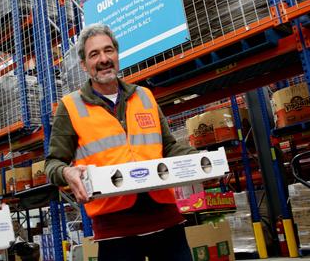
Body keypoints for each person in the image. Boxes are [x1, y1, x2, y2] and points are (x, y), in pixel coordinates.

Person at [45, 23, 198, 261]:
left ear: (117, 55)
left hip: (167, 222)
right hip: (115, 231)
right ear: (84, 65)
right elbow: (53, 163)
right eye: (94, 54)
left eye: (109, 50)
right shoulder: (70, 107)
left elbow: (168, 146)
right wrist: (67, 173)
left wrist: (197, 160)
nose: (104, 58)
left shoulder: (144, 96)